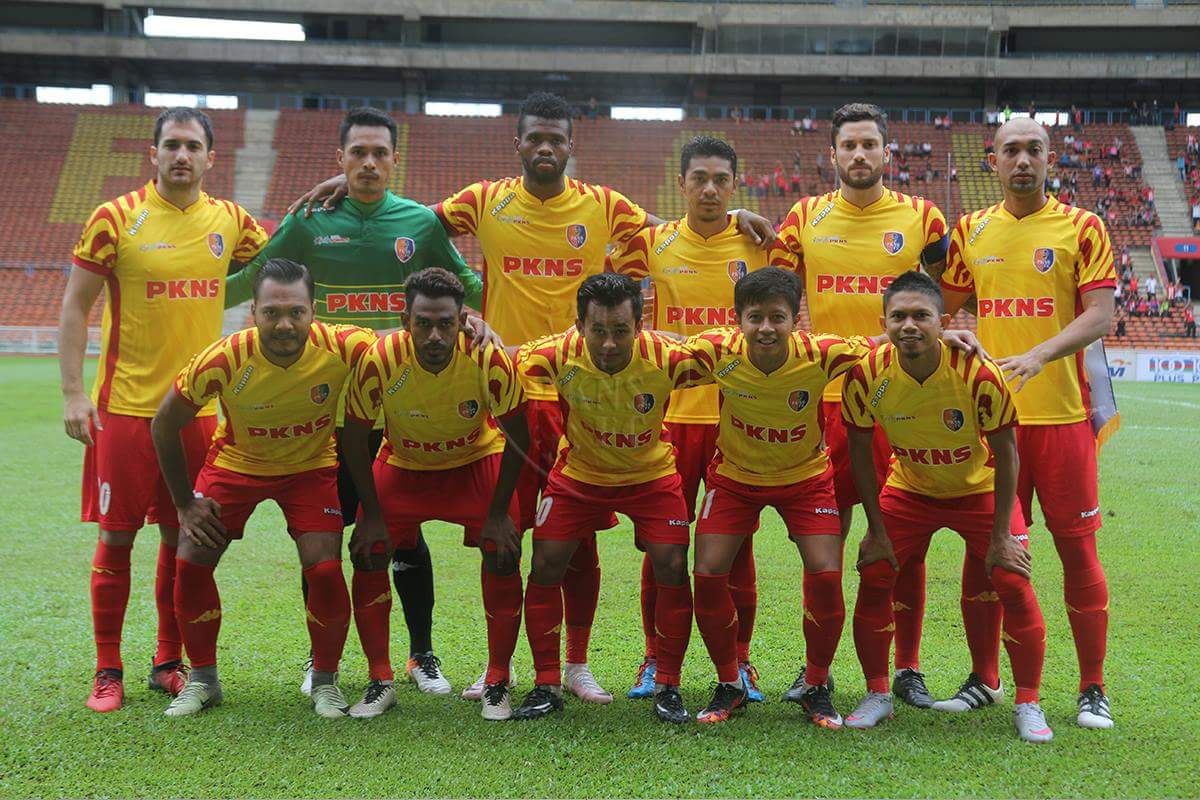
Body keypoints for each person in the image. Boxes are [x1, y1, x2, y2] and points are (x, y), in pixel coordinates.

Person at [226, 107, 494, 697]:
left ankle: (421, 653)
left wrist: (481, 313)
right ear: (340, 160)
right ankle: (321, 657)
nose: (369, 163)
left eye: (380, 153)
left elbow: (469, 285)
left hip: (395, 414)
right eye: (358, 153)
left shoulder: (419, 223)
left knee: (400, 535)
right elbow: (248, 283)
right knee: (321, 538)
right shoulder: (309, 221)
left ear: (396, 160)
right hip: (326, 416)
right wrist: (179, 294)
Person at [61, 107, 269, 712]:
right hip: (125, 411)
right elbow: (75, 306)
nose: (182, 156)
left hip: (197, 412)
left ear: (211, 158)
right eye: (172, 145)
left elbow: (289, 253)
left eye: (193, 146)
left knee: (185, 537)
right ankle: (107, 669)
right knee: (117, 537)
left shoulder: (230, 222)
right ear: (153, 154)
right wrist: (74, 393)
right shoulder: (115, 219)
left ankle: (167, 660)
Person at [607, 136, 798, 701]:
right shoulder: (650, 244)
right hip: (668, 417)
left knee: (735, 547)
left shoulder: (762, 245)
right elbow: (610, 297)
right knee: (663, 545)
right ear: (682, 185)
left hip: (737, 416)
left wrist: (747, 219)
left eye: (721, 180)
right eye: (699, 179)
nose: (710, 189)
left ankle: (739, 662)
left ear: (734, 185)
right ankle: (654, 659)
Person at [941, 117, 1117, 729]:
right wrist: (953, 333)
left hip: (1064, 419)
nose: (1022, 159)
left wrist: (1041, 354)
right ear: (992, 161)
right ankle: (985, 677)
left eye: (1033, 149)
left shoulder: (1082, 228)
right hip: (993, 424)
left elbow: (1100, 315)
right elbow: (942, 309)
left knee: (1077, 550)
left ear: (1049, 159)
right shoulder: (970, 230)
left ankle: (1092, 687)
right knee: (990, 553)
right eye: (1010, 150)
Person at [775, 102, 949, 709]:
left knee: (904, 541)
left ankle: (907, 667)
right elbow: (777, 294)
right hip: (826, 402)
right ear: (831, 154)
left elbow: (949, 293)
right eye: (848, 145)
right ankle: (816, 671)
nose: (859, 155)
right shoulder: (803, 217)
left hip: (899, 404)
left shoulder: (923, 219)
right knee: (825, 541)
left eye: (869, 144)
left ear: (885, 151)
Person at [151, 259, 375, 718]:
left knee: (326, 571)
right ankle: (203, 680)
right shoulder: (224, 358)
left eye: (296, 311)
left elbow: (405, 345)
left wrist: (473, 326)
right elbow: (163, 424)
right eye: (272, 312)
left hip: (310, 469)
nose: (284, 324)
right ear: (252, 311)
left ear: (315, 310)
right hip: (236, 466)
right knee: (191, 564)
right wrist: (183, 503)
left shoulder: (344, 346)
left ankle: (326, 682)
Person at [841, 270, 1052, 743]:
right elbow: (859, 450)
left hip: (977, 491)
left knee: (1012, 577)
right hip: (910, 490)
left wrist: (1000, 535)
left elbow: (1007, 454)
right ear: (884, 322)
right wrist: (875, 528)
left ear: (943, 321)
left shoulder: (977, 372)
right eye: (899, 317)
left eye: (921, 315)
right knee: (876, 570)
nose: (910, 325)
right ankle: (878, 693)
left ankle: (1028, 701)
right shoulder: (867, 373)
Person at [510, 273, 706, 724]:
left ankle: (669, 685)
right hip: (580, 474)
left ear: (641, 326)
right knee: (546, 560)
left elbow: (735, 356)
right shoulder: (555, 354)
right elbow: (497, 361)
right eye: (598, 330)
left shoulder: (670, 358)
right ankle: (546, 683)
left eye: (621, 330)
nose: (610, 344)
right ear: (579, 325)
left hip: (651, 474)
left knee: (672, 564)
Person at [340, 268, 528, 720]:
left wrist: (500, 512)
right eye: (423, 322)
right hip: (405, 464)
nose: (434, 334)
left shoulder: (487, 357)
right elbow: (353, 437)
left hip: (474, 462)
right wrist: (370, 513)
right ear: (405, 320)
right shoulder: (380, 359)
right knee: (366, 551)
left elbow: (520, 435)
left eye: (445, 323)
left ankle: (498, 679)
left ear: (462, 319)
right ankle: (380, 679)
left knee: (503, 551)